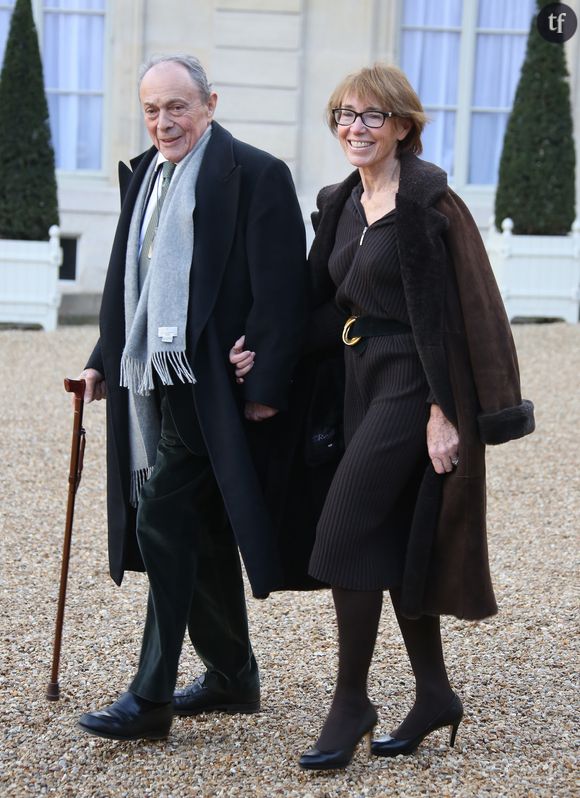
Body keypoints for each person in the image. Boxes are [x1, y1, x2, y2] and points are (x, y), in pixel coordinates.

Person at [288, 63, 535, 770]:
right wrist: (260, 352)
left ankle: (351, 703)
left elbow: (472, 312)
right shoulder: (338, 202)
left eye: (371, 116)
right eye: (344, 114)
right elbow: (322, 304)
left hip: (412, 383)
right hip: (357, 382)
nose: (355, 128)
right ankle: (433, 694)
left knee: (340, 532)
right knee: (395, 539)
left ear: (402, 125)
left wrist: (445, 410)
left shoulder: (431, 202)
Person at [76, 54, 307, 741]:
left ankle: (150, 697)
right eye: (151, 109)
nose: (163, 121)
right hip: (159, 378)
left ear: (210, 102)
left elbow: (282, 289)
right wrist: (100, 363)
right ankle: (233, 676)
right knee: (199, 527)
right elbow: (135, 289)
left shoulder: (257, 174)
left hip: (219, 389)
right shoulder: (147, 174)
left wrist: (265, 387)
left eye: (177, 106)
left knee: (161, 511)